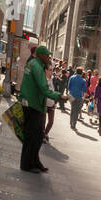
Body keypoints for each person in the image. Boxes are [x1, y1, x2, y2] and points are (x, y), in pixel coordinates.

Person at [19, 44, 62, 174]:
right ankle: (27, 164)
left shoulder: (34, 64)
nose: (49, 57)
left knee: (36, 136)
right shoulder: (37, 67)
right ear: (41, 55)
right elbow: (44, 88)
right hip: (32, 105)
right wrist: (59, 96)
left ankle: (34, 162)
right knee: (33, 136)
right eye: (47, 55)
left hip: (32, 104)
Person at [66, 66, 88, 132]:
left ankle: (71, 122)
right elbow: (85, 90)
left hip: (71, 95)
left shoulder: (71, 78)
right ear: (81, 73)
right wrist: (83, 97)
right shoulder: (83, 80)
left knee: (73, 109)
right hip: (79, 96)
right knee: (77, 111)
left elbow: (68, 87)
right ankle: (74, 124)